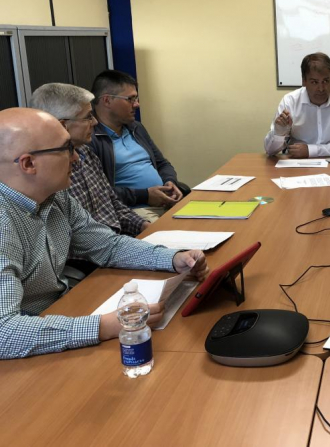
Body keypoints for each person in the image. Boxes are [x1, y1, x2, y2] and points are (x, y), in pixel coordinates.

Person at [0, 108, 209, 359]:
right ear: (28, 164)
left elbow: (107, 245)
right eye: (67, 149)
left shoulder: (55, 197)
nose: (76, 158)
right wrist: (103, 326)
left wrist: (173, 259)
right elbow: (4, 333)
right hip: (24, 352)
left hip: (57, 318)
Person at [29, 83, 149, 237]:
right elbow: (78, 239)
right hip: (99, 248)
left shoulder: (86, 152)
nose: (95, 122)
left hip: (114, 241)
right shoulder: (47, 173)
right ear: (63, 125)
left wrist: (145, 226)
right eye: (88, 117)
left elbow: (114, 204)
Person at [90, 70, 189, 221]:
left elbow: (162, 164)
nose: (137, 104)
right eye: (130, 99)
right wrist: (145, 195)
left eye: (136, 98)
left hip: (166, 201)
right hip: (133, 210)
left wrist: (170, 182)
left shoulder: (136, 128)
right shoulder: (90, 139)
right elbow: (97, 193)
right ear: (107, 101)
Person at [264, 52, 330, 158]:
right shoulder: (290, 101)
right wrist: (279, 132)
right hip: (297, 162)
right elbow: (270, 151)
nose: (321, 89)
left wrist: (311, 150)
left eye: (325, 81)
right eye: (314, 82)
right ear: (304, 81)